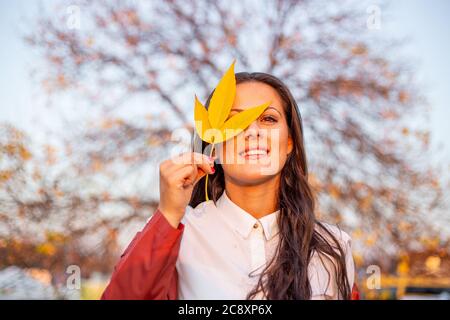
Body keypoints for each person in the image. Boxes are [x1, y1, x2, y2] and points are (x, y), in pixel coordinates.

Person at [101, 72, 359, 300]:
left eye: (268, 119)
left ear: (289, 143)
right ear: (214, 146)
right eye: (234, 122)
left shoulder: (334, 247)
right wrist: (167, 215)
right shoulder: (179, 236)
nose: (252, 131)